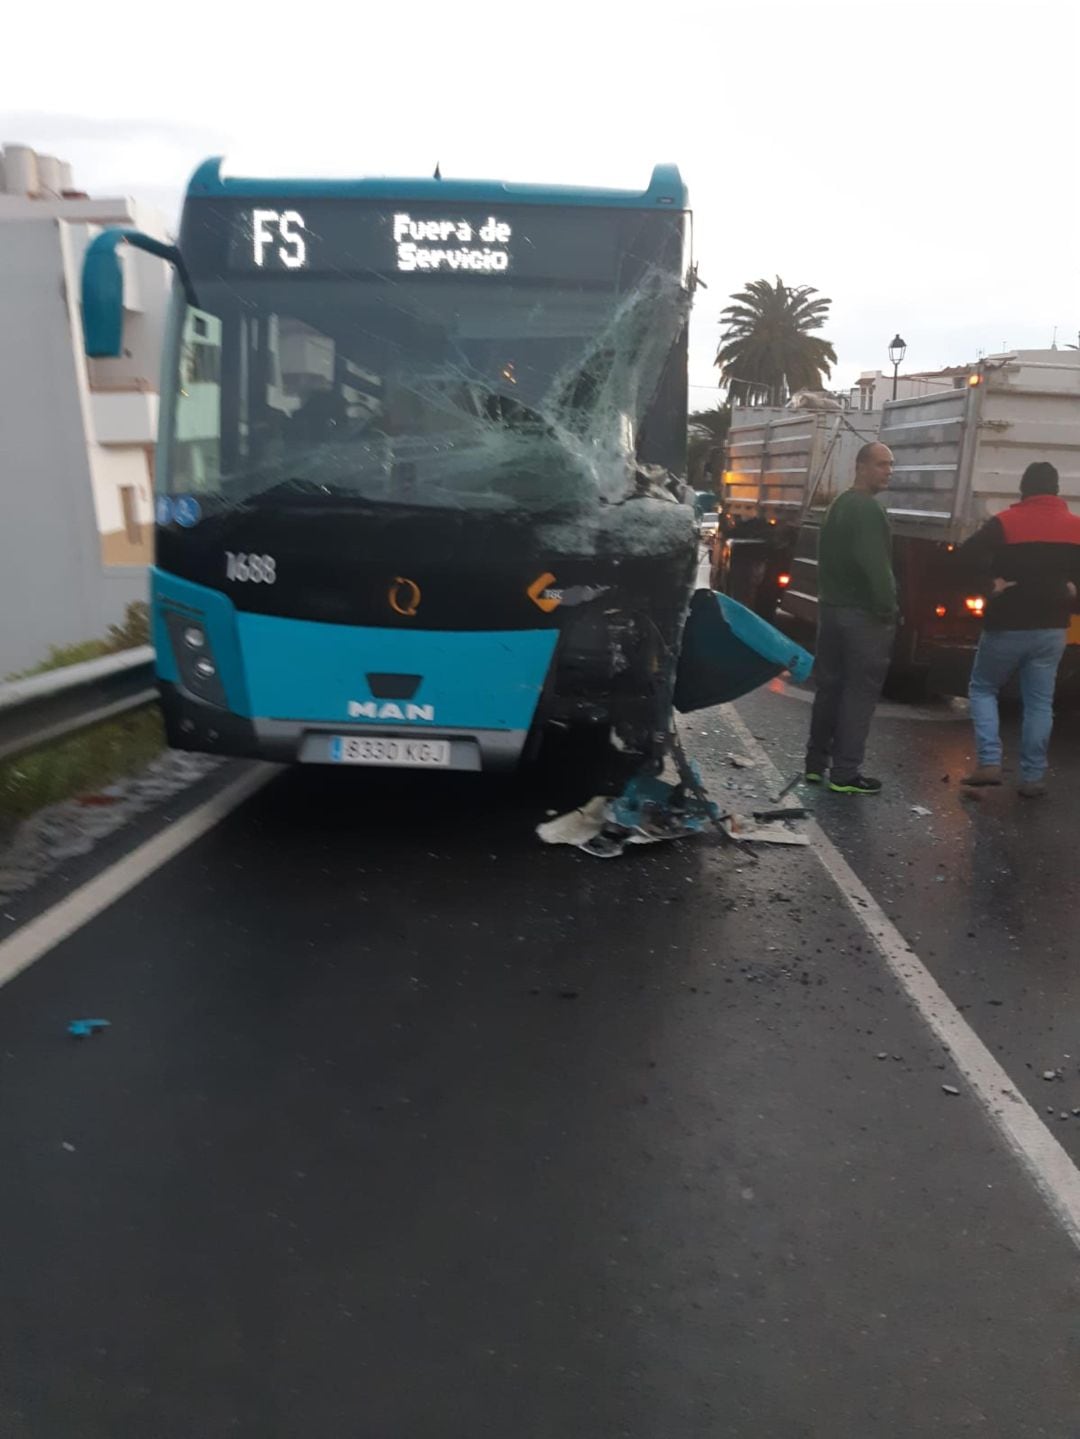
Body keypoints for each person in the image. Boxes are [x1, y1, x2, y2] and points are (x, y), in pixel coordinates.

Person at [957, 461, 1080, 798]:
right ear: (1056, 490)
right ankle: (1032, 776)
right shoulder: (1075, 527)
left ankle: (989, 762)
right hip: (1052, 629)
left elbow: (963, 556)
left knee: (983, 688)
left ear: (1024, 489)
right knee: (1039, 702)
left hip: (1006, 626)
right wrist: (1074, 594)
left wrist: (988, 584)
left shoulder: (1005, 523)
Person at [805, 442, 896, 795]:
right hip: (862, 616)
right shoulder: (868, 510)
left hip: (831, 611)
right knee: (859, 694)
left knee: (829, 689)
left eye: (890, 465)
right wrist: (889, 609)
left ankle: (815, 764)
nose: (887, 471)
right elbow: (877, 568)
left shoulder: (838, 505)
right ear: (860, 466)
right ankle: (845, 773)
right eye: (880, 464)